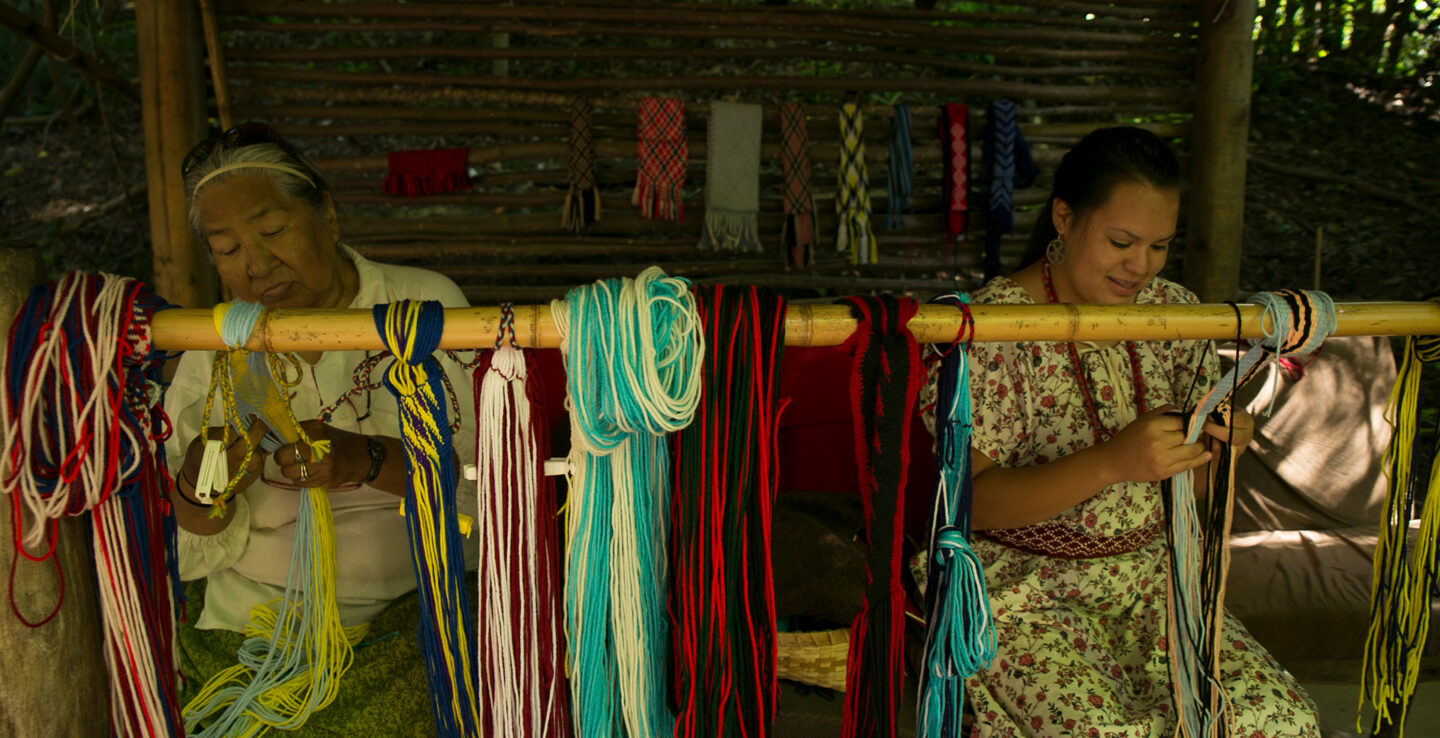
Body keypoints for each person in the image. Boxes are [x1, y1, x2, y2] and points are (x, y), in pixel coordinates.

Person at [952, 126, 1319, 735]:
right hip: (1023, 593)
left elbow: (1195, 496)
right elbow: (970, 503)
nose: (1140, 266)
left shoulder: (1175, 314)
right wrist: (1108, 463)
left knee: (1276, 720)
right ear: (1064, 218)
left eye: (1158, 246)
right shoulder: (993, 327)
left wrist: (1220, 451)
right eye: (1121, 241)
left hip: (1153, 581)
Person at [164, 123, 476, 637]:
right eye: (227, 249)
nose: (257, 264)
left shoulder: (420, 306)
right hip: (257, 623)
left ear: (327, 216)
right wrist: (204, 485)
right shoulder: (218, 344)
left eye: (272, 232)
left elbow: (481, 481)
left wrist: (364, 459)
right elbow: (186, 543)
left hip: (423, 611)